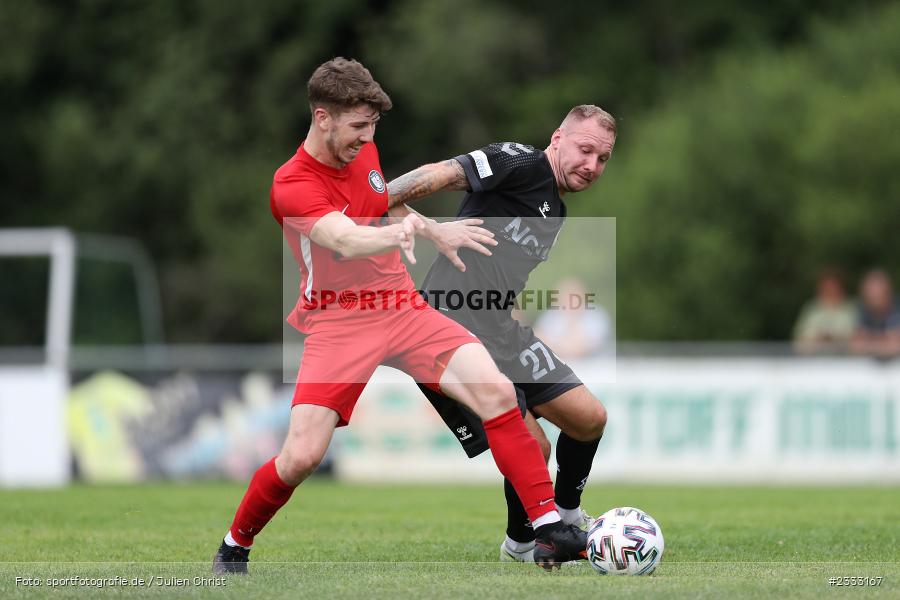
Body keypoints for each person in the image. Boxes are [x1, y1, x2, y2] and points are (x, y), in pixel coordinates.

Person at [212, 58, 587, 574]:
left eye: (372, 127)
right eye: (357, 126)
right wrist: (394, 236)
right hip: (339, 322)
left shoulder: (364, 151)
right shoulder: (291, 184)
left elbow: (383, 204)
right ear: (323, 117)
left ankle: (546, 527)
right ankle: (236, 543)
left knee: (497, 392)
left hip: (402, 306)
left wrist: (434, 230)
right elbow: (342, 236)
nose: (366, 138)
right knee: (301, 457)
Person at [386, 104, 615, 562]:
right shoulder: (519, 162)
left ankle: (566, 517)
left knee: (589, 418)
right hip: (447, 333)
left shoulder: (556, 209)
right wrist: (434, 231)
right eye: (585, 150)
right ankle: (526, 544)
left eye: (603, 158)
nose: (592, 165)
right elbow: (404, 187)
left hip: (501, 330)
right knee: (533, 443)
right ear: (557, 138)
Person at [533, 277, 613, 360]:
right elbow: (537, 341)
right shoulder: (550, 316)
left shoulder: (597, 316)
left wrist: (555, 347)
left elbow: (580, 349)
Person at [792, 269, 857, 355]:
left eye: (833, 286)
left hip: (845, 364)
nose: (830, 290)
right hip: (813, 362)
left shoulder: (851, 309)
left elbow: (857, 340)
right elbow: (798, 342)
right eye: (827, 287)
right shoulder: (811, 309)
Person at [850, 269, 900, 357]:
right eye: (871, 296)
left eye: (879, 296)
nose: (874, 300)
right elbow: (856, 345)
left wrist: (871, 340)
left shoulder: (897, 309)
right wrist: (884, 340)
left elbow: (895, 345)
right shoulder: (862, 310)